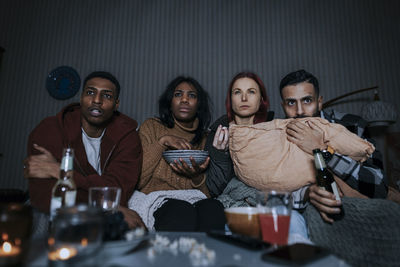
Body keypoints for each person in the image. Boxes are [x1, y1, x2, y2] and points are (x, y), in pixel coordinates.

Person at [24, 71, 145, 229]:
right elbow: (45, 195)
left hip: (96, 208)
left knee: (130, 226)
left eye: (107, 96)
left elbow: (118, 191)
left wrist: (63, 173)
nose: (97, 100)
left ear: (116, 104)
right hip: (58, 211)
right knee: (42, 217)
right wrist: (107, 207)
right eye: (90, 92)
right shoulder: (49, 130)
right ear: (81, 98)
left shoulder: (128, 136)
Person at [205, 72, 309, 241]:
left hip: (270, 202)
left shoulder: (276, 127)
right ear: (230, 100)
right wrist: (220, 155)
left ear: (262, 99)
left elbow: (286, 174)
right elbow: (214, 189)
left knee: (294, 223)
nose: (244, 98)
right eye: (237, 92)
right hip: (235, 205)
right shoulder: (218, 131)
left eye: (251, 92)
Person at [279, 69, 388, 223]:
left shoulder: (353, 125)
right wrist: (306, 193)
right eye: (291, 102)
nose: (299, 111)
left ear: (319, 102)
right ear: (283, 106)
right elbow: (273, 191)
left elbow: (379, 186)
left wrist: (322, 150)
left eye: (307, 100)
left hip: (362, 214)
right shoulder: (279, 135)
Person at [128, 76, 226, 232]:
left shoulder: (207, 139)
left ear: (199, 104)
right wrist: (163, 142)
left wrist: (196, 176)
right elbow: (137, 181)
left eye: (192, 95)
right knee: (181, 211)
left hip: (193, 198)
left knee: (214, 208)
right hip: (156, 199)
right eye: (178, 94)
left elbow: (207, 194)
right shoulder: (152, 127)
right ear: (170, 102)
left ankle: (206, 255)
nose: (185, 100)